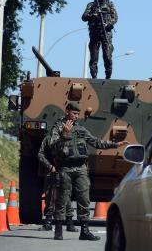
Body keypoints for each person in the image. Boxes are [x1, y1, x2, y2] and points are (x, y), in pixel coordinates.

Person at [49, 101, 128, 241]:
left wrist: (115, 144)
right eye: (74, 113)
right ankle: (59, 231)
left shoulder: (80, 129)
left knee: (84, 199)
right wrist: (64, 135)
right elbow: (52, 147)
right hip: (65, 167)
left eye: (77, 114)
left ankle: (84, 231)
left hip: (80, 168)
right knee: (62, 199)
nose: (75, 117)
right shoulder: (57, 128)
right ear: (67, 111)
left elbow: (96, 142)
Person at [37, 135, 78, 232]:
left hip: (65, 171)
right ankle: (48, 222)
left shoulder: (71, 138)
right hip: (51, 171)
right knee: (49, 196)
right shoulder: (48, 139)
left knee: (66, 196)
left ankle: (69, 222)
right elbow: (40, 154)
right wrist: (50, 166)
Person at [82, 0, 118, 79]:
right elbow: (84, 17)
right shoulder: (92, 5)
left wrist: (109, 24)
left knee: (107, 56)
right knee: (94, 57)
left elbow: (115, 17)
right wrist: (92, 16)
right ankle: (94, 76)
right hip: (95, 33)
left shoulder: (110, 4)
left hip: (106, 33)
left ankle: (108, 76)